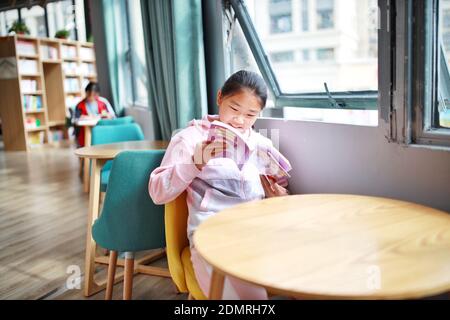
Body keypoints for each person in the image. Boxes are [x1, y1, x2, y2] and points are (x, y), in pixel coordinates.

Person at [148, 70, 290, 299]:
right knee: (248, 299)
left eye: (251, 115)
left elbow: (278, 182)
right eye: (234, 109)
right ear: (219, 97)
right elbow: (157, 192)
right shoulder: (189, 138)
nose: (240, 120)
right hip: (211, 236)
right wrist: (194, 163)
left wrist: (278, 194)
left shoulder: (260, 143)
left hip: (257, 231)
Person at [73, 82, 116, 147]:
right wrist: (86, 117)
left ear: (97, 94)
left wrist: (105, 115)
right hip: (85, 133)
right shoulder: (80, 105)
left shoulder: (103, 102)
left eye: (93, 95)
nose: (90, 97)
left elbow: (113, 116)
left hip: (103, 130)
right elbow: (75, 119)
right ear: (86, 93)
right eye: (88, 94)